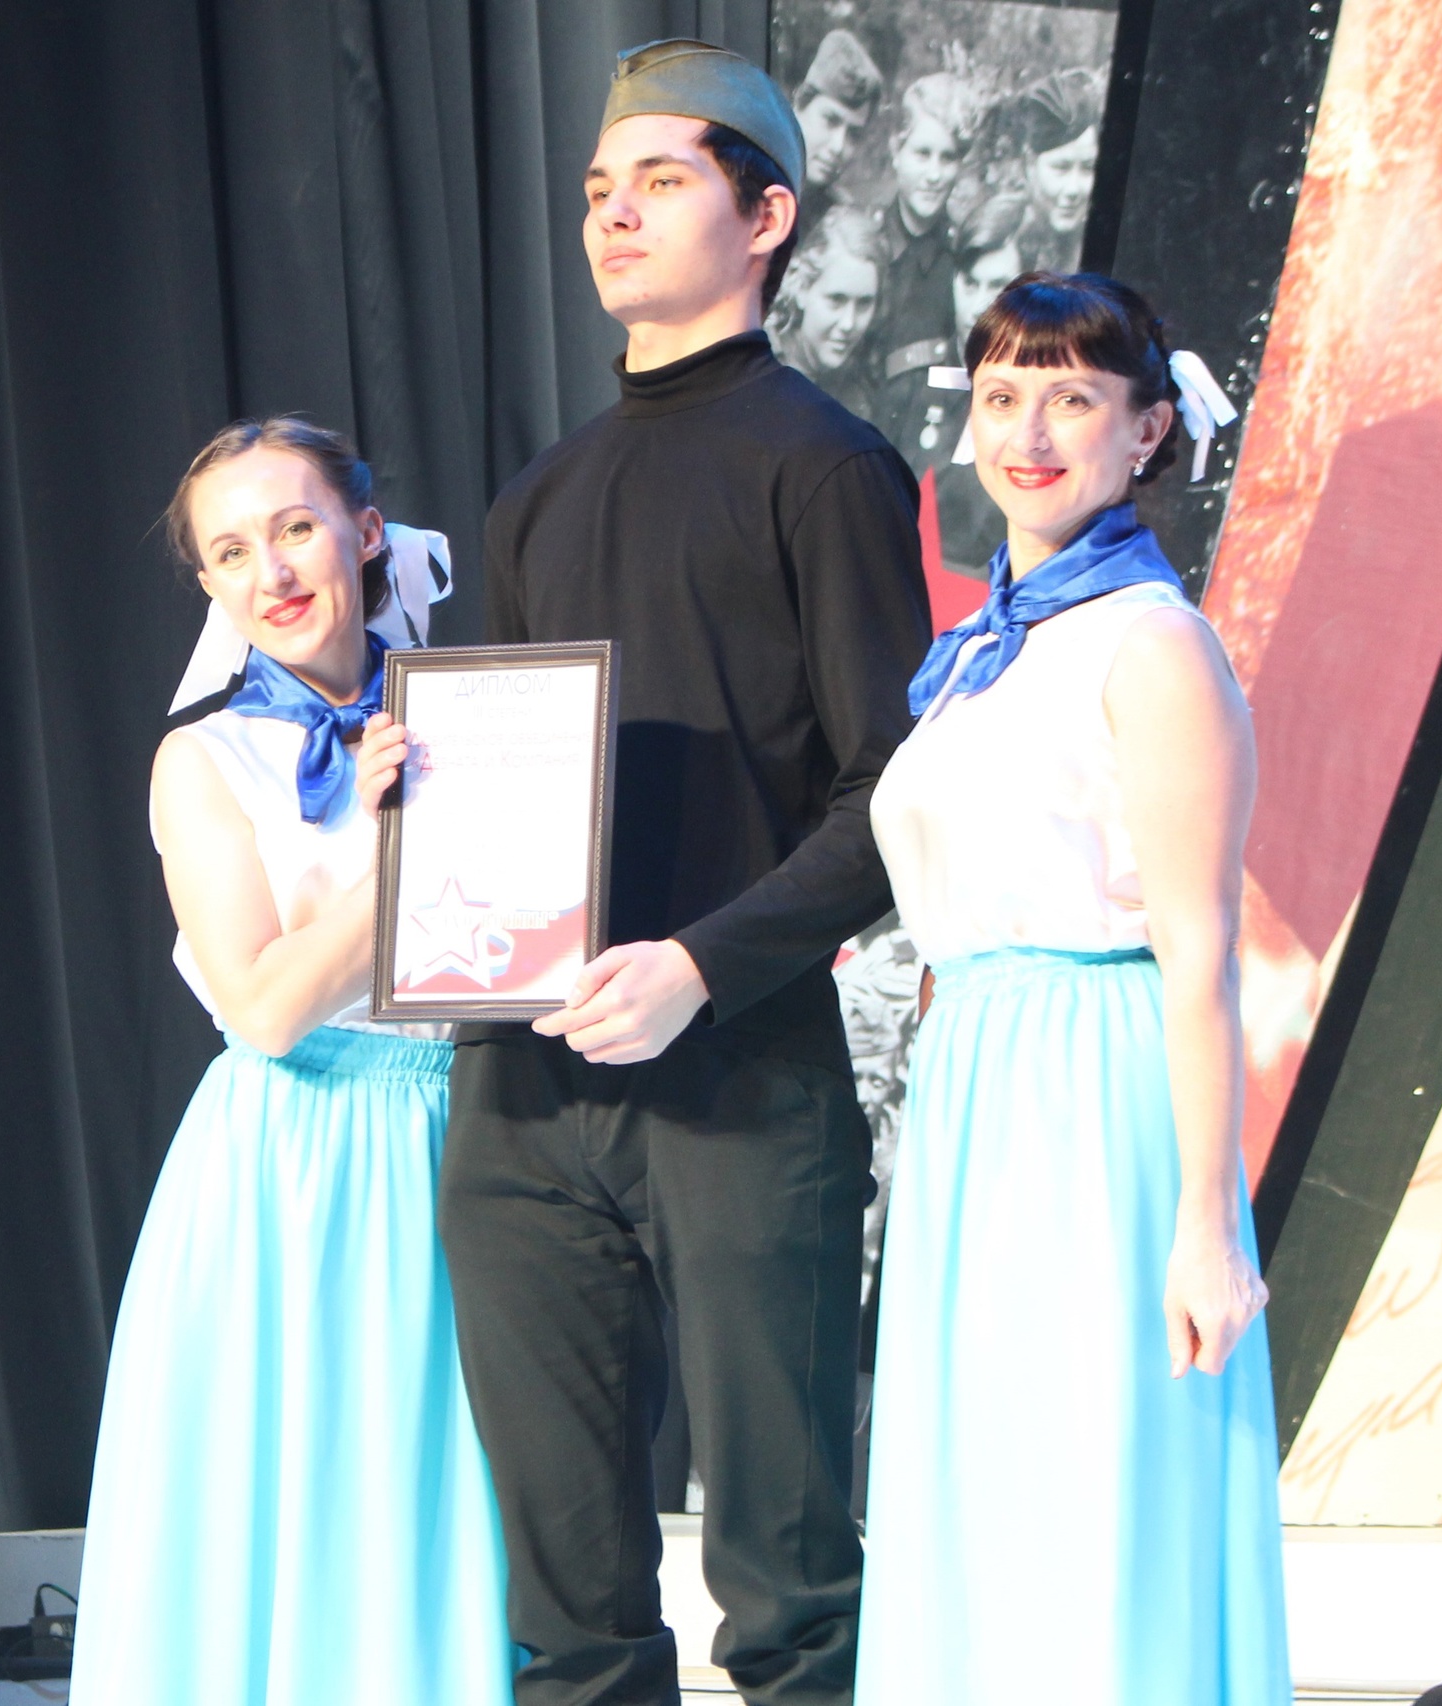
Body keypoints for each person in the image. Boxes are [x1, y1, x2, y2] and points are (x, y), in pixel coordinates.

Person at [439, 38, 930, 1706]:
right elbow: (518, 787)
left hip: (741, 1076)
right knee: (566, 1609)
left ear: (766, 217)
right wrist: (423, 802)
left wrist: (702, 964)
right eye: (598, 188)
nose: (613, 213)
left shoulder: (827, 466)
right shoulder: (537, 499)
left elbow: (890, 793)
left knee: (786, 1587)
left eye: (660, 181)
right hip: (521, 1090)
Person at [855, 272, 1290, 1702]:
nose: (1029, 432)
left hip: (1095, 1089)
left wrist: (1206, 1221)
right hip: (976, 1087)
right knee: (983, 1496)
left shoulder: (1149, 641)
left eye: (1072, 398)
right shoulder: (987, 648)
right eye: (1001, 396)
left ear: (1147, 428)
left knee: (1093, 1491)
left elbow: (1199, 949)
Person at [70, 418, 512, 1706]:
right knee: (285, 1500)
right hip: (292, 1160)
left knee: (435, 1507)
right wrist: (404, 846)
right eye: (229, 550)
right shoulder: (201, 758)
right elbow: (264, 1007)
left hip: (472, 1135)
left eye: (296, 527)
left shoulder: (478, 719)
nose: (269, 570)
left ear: (363, 533)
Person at [871, 74, 980, 399]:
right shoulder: (865, 240)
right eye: (922, 153)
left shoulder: (965, 256)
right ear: (896, 150)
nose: (934, 175)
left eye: (948, 158)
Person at [769, 205, 889, 418]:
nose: (849, 324)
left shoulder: (858, 391)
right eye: (836, 300)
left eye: (864, 304)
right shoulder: (758, 367)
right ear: (803, 289)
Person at [791, 28, 882, 232]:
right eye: (830, 121)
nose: (838, 146)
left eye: (853, 135)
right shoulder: (745, 187)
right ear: (798, 106)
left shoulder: (842, 217)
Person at [1018, 69, 1105, 274]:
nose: (1073, 189)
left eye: (1088, 168)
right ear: (1029, 165)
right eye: (1061, 168)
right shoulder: (1002, 242)